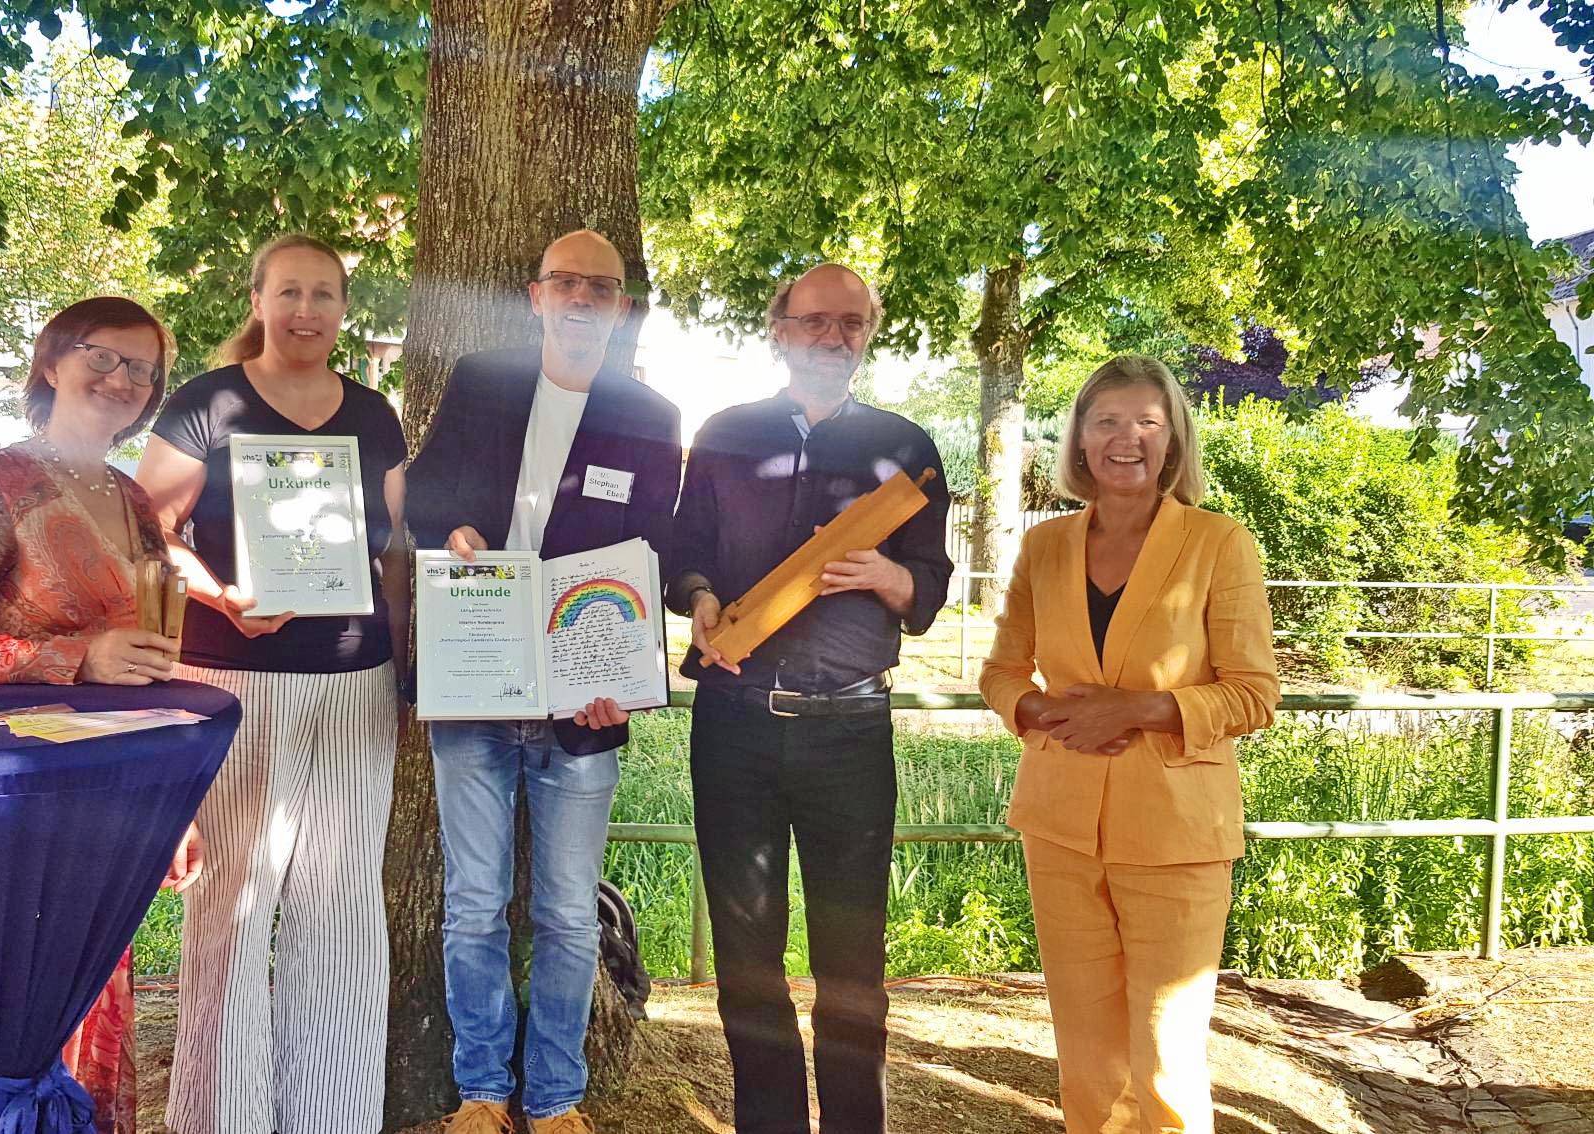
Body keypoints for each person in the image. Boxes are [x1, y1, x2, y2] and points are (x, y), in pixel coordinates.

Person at [405, 229, 682, 1134]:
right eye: (566, 282)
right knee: (473, 908)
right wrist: (452, 534)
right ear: (536, 295)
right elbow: (428, 493)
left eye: (601, 287)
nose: (582, 299)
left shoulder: (651, 416)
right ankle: (482, 1092)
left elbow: (651, 555)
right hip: (475, 682)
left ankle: (557, 1098)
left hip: (584, 700)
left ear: (622, 306)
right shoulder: (482, 381)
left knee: (566, 915)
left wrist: (621, 678)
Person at [135, 233, 410, 1134]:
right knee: (233, 905)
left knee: (342, 905)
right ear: (257, 300)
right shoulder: (207, 403)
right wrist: (220, 595)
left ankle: (333, 1116)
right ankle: (223, 1116)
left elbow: (397, 552)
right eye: (288, 292)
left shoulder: (373, 415)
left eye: (324, 294)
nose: (306, 310)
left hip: (355, 685)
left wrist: (414, 670)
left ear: (344, 309)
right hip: (232, 678)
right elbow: (148, 534)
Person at [668, 263, 952, 1134]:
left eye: (851, 323)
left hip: (851, 730)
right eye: (815, 321)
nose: (833, 337)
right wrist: (699, 595)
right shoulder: (724, 433)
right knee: (747, 958)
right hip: (734, 725)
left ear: (869, 333)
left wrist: (890, 575)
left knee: (853, 963)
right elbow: (685, 553)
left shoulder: (907, 448)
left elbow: (932, 585)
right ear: (780, 329)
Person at [980, 355, 1278, 1133]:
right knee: (1087, 1056)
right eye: (1107, 421)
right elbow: (1001, 673)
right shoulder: (1045, 546)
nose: (1127, 438)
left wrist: (1138, 709)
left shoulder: (1220, 543)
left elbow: (1254, 693)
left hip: (1177, 833)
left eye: (1148, 422)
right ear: (1080, 439)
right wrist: (1039, 711)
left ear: (1173, 440)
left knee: (1165, 1056)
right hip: (1060, 828)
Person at [0, 295, 199, 1134]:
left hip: (108, 790)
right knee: (11, 1010)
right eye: (103, 356)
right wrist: (76, 656)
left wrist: (172, 802)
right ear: (52, 361)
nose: (122, 379)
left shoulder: (133, 498)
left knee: (98, 1003)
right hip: (8, 796)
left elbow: (150, 658)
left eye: (143, 369)